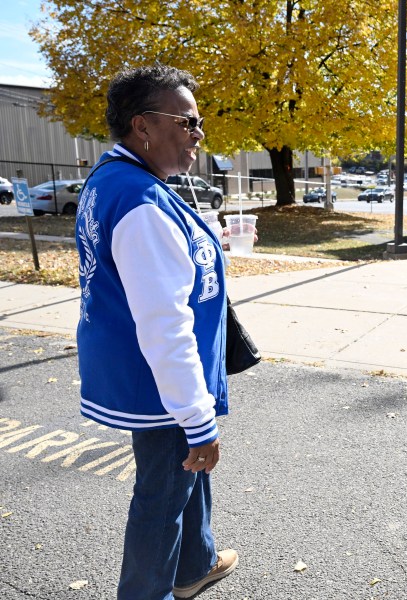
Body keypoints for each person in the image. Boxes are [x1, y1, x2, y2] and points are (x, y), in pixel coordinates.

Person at [75, 64, 237, 599]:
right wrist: (197, 417)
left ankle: (196, 563)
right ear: (143, 127)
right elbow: (164, 325)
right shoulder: (141, 203)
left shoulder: (118, 179)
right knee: (164, 493)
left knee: (185, 479)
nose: (198, 133)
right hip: (161, 387)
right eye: (187, 122)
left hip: (150, 377)